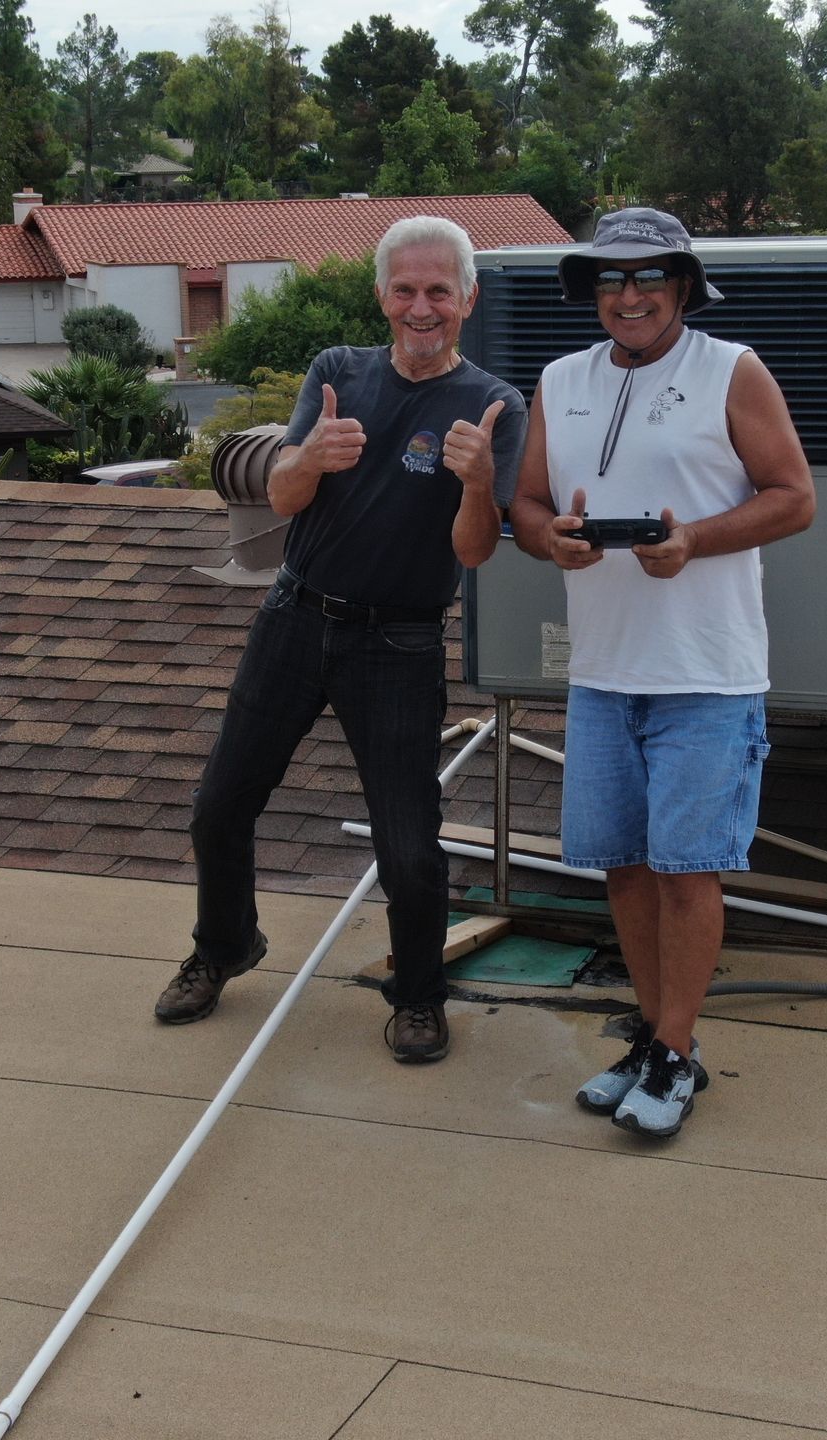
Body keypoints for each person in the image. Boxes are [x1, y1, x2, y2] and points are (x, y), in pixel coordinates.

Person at [156, 216, 528, 1064]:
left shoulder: (497, 405)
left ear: (467, 298)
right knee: (220, 806)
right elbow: (283, 499)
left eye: (439, 291)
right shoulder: (336, 373)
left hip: (397, 645)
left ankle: (421, 998)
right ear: (382, 296)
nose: (422, 307)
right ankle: (223, 947)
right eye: (405, 289)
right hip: (294, 618)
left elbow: (474, 551)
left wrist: (476, 484)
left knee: (408, 845)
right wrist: (310, 456)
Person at [509, 207, 815, 1137]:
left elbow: (795, 497)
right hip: (603, 671)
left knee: (689, 872)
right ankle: (651, 1034)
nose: (629, 295)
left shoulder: (730, 369)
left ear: (682, 286)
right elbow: (524, 503)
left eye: (648, 278)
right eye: (610, 279)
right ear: (592, 292)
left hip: (707, 675)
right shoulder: (559, 380)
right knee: (625, 870)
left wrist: (693, 541)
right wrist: (548, 540)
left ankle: (677, 1054)